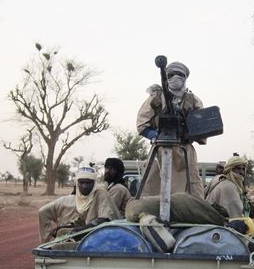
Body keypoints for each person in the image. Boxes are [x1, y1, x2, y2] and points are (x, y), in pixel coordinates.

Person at [136, 61, 205, 198]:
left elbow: (202, 128)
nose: (175, 78)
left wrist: (189, 134)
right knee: (152, 190)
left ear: (185, 77)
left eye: (179, 74)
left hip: (184, 150)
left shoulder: (193, 100)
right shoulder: (156, 97)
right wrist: (153, 134)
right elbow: (141, 123)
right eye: (171, 74)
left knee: (191, 190)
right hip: (160, 148)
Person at [37, 166, 119, 243]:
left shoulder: (101, 194)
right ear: (77, 183)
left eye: (88, 183)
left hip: (106, 239)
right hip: (90, 238)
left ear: (94, 183)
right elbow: (82, 221)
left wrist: (77, 231)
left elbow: (103, 220)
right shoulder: (81, 199)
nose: (85, 186)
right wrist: (65, 228)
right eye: (81, 182)